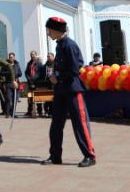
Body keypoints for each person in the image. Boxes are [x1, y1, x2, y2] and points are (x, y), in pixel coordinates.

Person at [42, 17, 96, 168]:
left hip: (72, 88)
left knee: (80, 123)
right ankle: (55, 156)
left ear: (57, 30)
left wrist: (57, 77)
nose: (48, 33)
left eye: (49, 30)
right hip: (61, 90)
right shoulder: (60, 45)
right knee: (56, 124)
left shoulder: (69, 45)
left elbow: (75, 67)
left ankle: (89, 155)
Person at [25, 51, 44, 118]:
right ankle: (29, 111)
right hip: (30, 83)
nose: (32, 56)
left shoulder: (39, 63)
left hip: (37, 83)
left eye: (33, 54)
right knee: (30, 97)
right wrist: (29, 78)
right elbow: (26, 72)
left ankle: (40, 111)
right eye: (31, 54)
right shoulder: (29, 63)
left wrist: (33, 78)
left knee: (38, 97)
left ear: (36, 55)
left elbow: (40, 73)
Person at [3, 52, 22, 118]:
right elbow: (2, 72)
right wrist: (9, 73)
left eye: (11, 57)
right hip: (9, 83)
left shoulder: (17, 65)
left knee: (15, 99)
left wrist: (16, 74)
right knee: (8, 98)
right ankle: (7, 113)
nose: (10, 58)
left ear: (14, 57)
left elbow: (20, 73)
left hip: (16, 83)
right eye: (9, 57)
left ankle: (13, 113)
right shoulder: (6, 64)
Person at [42, 52, 55, 117]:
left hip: (54, 84)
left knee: (54, 99)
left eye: (49, 56)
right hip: (47, 84)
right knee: (47, 99)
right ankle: (48, 111)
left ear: (53, 57)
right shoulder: (46, 65)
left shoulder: (56, 64)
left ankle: (53, 112)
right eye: (47, 56)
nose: (48, 58)